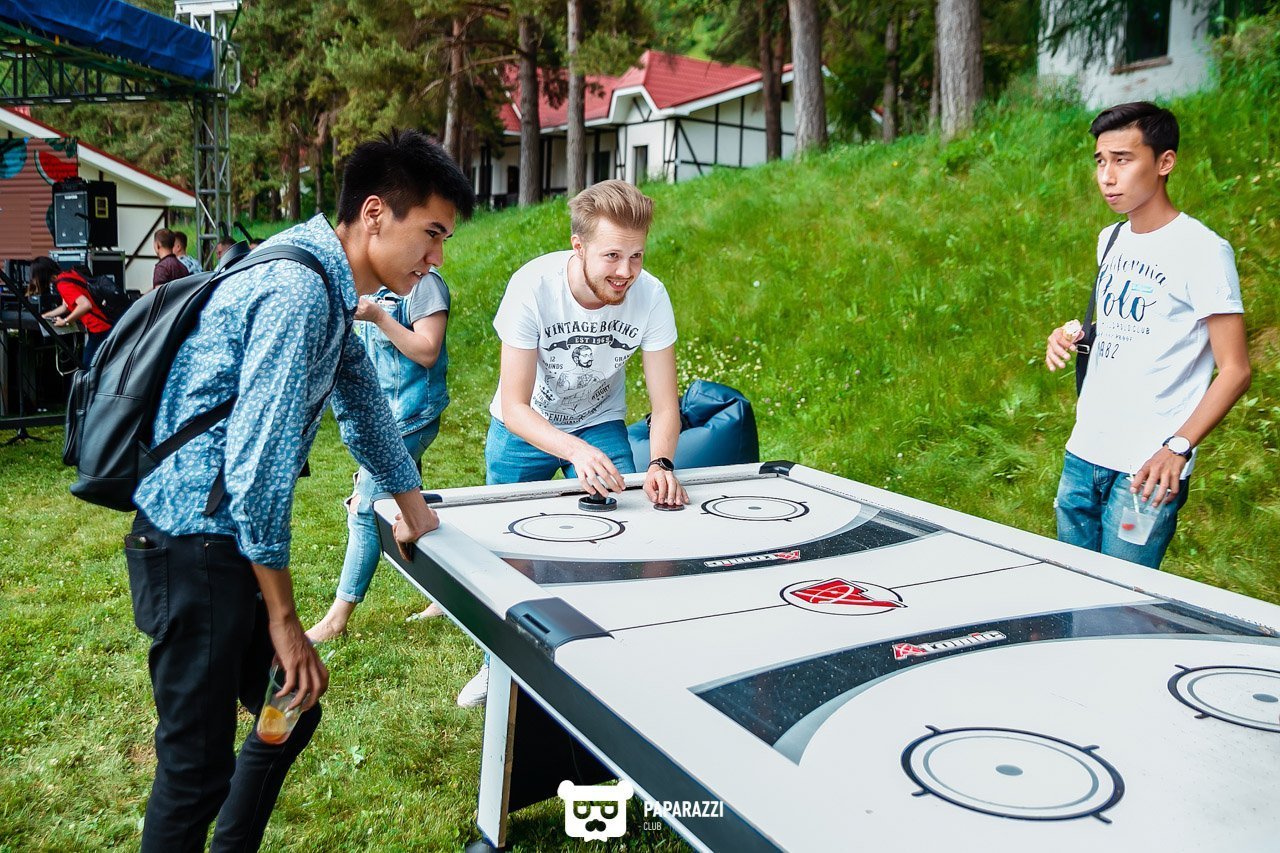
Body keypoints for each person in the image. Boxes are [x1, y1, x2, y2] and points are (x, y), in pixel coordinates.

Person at [124, 129, 474, 852]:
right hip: (192, 544)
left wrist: (416, 510)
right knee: (194, 774)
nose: (437, 257)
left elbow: (363, 402)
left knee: (294, 705)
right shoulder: (298, 291)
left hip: (220, 542)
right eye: (432, 233)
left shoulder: (328, 280)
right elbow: (256, 473)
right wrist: (285, 622)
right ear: (374, 214)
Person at [456, 179, 688, 707]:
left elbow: (665, 405)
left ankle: (603, 668)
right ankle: (499, 668)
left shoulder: (651, 296)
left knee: (622, 542)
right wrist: (573, 451)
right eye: (612, 256)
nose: (626, 271)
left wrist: (661, 462)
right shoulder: (532, 287)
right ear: (578, 247)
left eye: (636, 255)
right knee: (509, 555)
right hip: (524, 429)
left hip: (599, 422)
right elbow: (514, 404)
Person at [1044, 102, 1251, 569]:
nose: (1107, 177)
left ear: (1164, 162)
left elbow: (1236, 370)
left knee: (1123, 599)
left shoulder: (1203, 251)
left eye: (1123, 160)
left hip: (1147, 470)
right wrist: (1071, 335)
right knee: (1071, 586)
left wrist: (1178, 447)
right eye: (1100, 161)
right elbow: (1131, 329)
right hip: (1084, 452)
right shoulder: (1111, 239)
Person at [307, 269, 453, 643]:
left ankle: (336, 620)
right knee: (412, 510)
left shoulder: (425, 286)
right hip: (385, 419)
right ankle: (444, 596)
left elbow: (427, 351)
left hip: (412, 418)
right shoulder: (373, 284)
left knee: (366, 508)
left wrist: (378, 317)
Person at [36, 256, 113, 368]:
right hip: (104, 323)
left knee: (88, 366)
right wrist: (47, 315)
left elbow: (85, 305)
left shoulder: (63, 284)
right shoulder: (67, 275)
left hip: (99, 327)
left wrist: (65, 321)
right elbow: (65, 307)